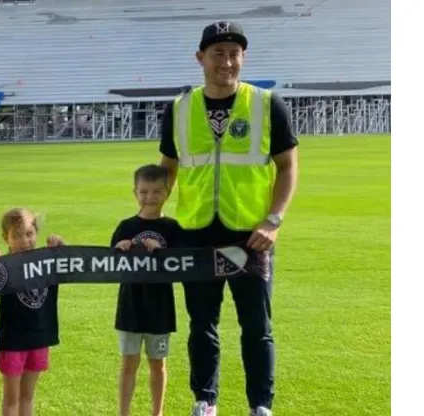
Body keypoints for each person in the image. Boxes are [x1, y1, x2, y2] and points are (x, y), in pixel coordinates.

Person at [158, 21, 299, 416]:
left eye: (235, 53)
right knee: (202, 325)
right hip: (195, 233)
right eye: (218, 53)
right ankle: (205, 401)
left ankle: (260, 406)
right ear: (200, 57)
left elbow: (288, 167)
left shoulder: (267, 104)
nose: (227, 61)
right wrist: (154, 215)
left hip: (251, 235)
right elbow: (168, 166)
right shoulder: (180, 108)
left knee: (257, 327)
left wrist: (273, 220)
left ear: (244, 58)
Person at [110, 164, 183, 416]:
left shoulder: (173, 229)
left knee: (157, 363)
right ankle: (124, 412)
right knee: (129, 362)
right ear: (135, 193)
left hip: (160, 308)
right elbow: (108, 265)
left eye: (155, 192)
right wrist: (120, 248)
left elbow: (184, 265)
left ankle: (157, 412)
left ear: (167, 193)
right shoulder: (125, 226)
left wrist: (163, 253)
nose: (149, 197)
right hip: (130, 305)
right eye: (143, 192)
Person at [0, 208, 65, 416]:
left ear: (36, 232)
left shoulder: (48, 262)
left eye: (29, 233)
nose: (24, 241)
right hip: (13, 342)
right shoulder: (3, 267)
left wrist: (62, 249)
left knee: (28, 396)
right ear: (5, 237)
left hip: (39, 338)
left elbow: (72, 266)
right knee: (11, 399)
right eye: (16, 235)